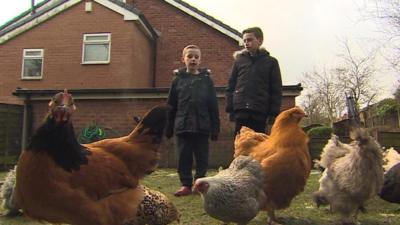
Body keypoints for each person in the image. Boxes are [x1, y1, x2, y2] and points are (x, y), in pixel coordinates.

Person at [165, 45, 220, 197]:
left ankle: (199, 183)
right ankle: (186, 185)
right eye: (190, 56)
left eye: (196, 56)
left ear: (200, 60)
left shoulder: (207, 81)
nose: (193, 59)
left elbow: (213, 106)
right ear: (183, 59)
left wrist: (215, 129)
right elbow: (171, 105)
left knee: (202, 157)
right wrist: (168, 128)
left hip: (202, 126)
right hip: (182, 127)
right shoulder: (177, 81)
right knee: (184, 156)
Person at [225, 27, 282, 135]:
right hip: (241, 110)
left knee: (258, 145)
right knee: (241, 145)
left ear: (260, 41)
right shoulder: (239, 61)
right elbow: (231, 86)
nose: (246, 43)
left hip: (259, 111)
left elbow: (276, 90)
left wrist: (273, 113)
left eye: (250, 40)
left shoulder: (271, 62)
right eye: (244, 40)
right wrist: (230, 109)